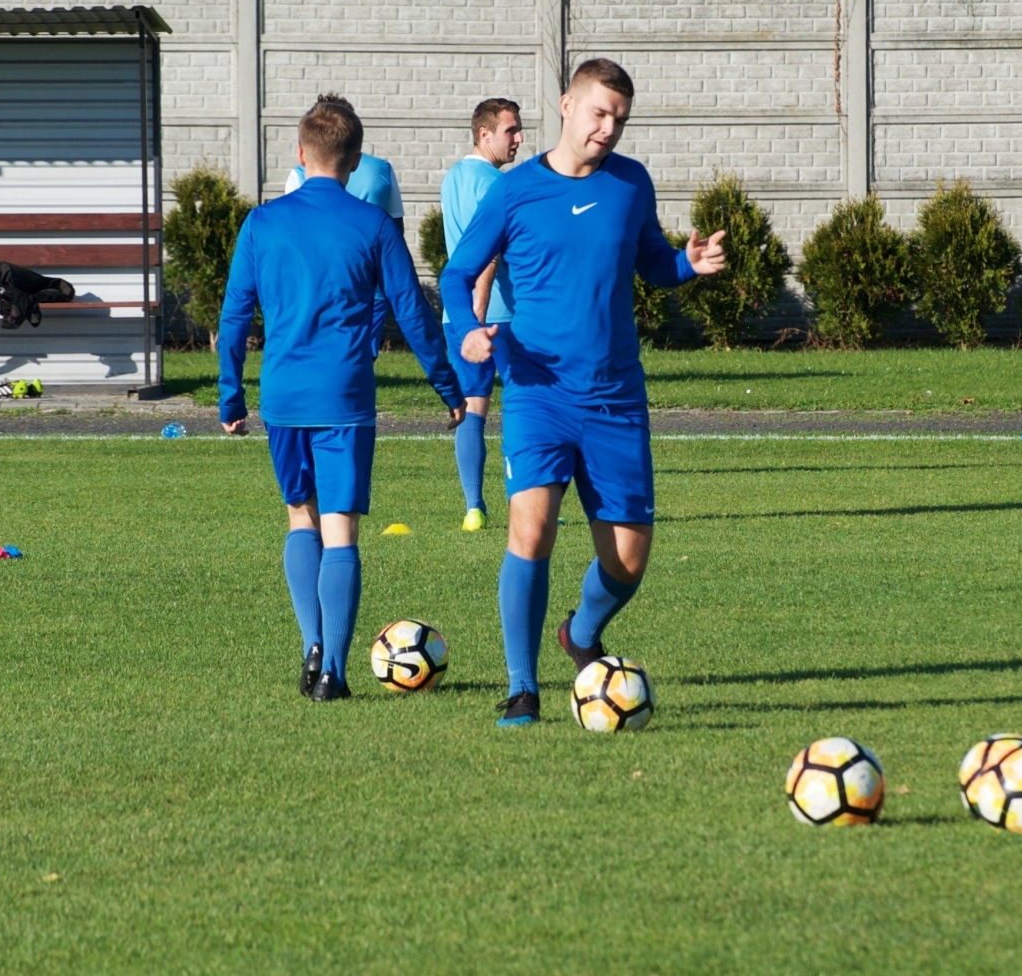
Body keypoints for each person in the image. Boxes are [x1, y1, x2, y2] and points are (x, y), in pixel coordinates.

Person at [440, 59, 727, 727]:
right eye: (598, 113)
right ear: (566, 105)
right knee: (531, 529)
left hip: (615, 398)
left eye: (619, 120)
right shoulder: (514, 192)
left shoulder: (631, 184)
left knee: (626, 560)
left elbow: (652, 262)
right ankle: (521, 686)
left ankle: (580, 635)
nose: (607, 129)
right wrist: (466, 333)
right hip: (538, 390)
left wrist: (690, 264)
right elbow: (457, 276)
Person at [221, 95, 465, 702]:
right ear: (354, 163)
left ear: (300, 156)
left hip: (281, 397)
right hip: (344, 399)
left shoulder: (261, 223)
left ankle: (311, 640)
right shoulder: (374, 226)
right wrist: (448, 387)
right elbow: (413, 313)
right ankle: (333, 668)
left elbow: (233, 320)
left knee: (300, 518)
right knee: (342, 531)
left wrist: (231, 398)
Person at [440, 97, 525, 532]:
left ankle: (474, 507)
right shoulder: (496, 184)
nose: (519, 139)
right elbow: (487, 246)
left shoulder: (453, 177)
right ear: (484, 133)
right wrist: (483, 293)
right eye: (511, 131)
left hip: (457, 317)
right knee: (523, 408)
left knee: (472, 408)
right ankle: (522, 506)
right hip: (500, 314)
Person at [285, 95, 403, 356]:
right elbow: (397, 228)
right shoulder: (382, 168)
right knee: (361, 361)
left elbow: (296, 237)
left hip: (319, 288)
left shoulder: (299, 174)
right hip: (372, 288)